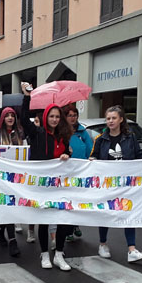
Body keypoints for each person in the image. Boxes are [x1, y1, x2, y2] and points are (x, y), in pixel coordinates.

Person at [20, 82, 74, 271]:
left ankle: (59, 254)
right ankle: (44, 255)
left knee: (62, 220)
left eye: (57, 117)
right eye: (51, 116)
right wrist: (26, 97)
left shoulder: (63, 137)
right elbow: (23, 118)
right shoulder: (36, 134)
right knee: (44, 220)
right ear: (45, 117)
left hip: (59, 185)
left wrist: (68, 154)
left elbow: (67, 156)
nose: (54, 119)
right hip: (42, 184)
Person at [90, 105, 142, 263]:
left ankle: (132, 249)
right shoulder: (100, 139)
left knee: (128, 213)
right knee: (105, 213)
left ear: (121, 120)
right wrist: (93, 160)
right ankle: (103, 244)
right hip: (107, 184)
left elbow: (139, 154)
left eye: (113, 118)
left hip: (125, 184)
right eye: (108, 118)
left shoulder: (130, 137)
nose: (110, 121)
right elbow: (94, 156)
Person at [0, 107, 24, 257]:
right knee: (7, 207)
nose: (10, 118)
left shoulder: (20, 134)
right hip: (0, 178)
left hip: (17, 178)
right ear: (2, 118)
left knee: (12, 208)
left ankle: (1, 231)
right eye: (7, 115)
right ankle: (13, 240)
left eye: (12, 115)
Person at [64, 104, 93, 243]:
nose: (72, 118)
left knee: (78, 200)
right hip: (67, 171)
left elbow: (89, 148)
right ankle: (68, 229)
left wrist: (88, 161)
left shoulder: (83, 132)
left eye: (74, 115)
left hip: (80, 171)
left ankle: (75, 224)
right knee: (68, 200)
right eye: (69, 115)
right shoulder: (62, 131)